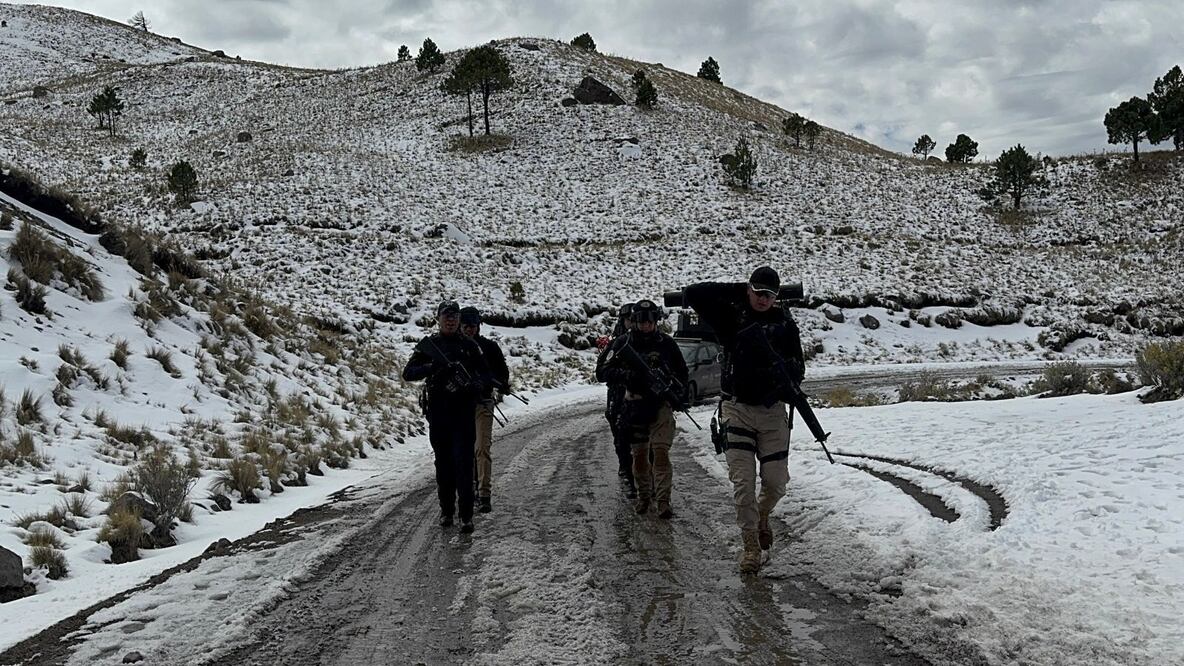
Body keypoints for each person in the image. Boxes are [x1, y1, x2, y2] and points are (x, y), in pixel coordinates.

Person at [682, 266, 805, 574]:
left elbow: (799, 369)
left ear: (777, 298)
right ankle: (750, 545)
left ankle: (762, 515)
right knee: (743, 483)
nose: (762, 299)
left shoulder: (785, 325)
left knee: (776, 483)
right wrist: (741, 289)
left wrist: (781, 377)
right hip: (736, 408)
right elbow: (694, 293)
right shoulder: (732, 319)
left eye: (769, 295)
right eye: (758, 292)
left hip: (772, 410)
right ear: (749, 290)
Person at [402, 300, 491, 534]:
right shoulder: (430, 346)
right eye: (446, 316)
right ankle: (446, 511)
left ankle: (466, 516)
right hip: (439, 415)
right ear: (438, 319)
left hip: (463, 414)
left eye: (454, 316)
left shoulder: (470, 347)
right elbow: (408, 373)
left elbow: (486, 375)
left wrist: (474, 384)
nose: (451, 320)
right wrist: (432, 367)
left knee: (464, 464)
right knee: (443, 465)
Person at [597, 299, 689, 518]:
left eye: (650, 320)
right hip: (635, 404)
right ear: (634, 321)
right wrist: (627, 376)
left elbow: (682, 373)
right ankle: (644, 496)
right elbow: (602, 372)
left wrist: (676, 392)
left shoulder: (666, 343)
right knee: (639, 456)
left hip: (661, 405)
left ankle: (663, 500)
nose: (646, 325)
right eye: (641, 320)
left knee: (660, 453)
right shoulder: (622, 343)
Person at [459, 306, 509, 514]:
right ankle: (470, 488)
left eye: (473, 326)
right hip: (460, 405)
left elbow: (503, 377)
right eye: (466, 326)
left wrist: (490, 383)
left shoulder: (489, 348)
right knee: (465, 450)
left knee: (481, 448)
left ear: (479, 326)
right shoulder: (455, 347)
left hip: (483, 402)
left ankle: (484, 493)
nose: (470, 330)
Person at [596, 303, 636, 496]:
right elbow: (601, 372)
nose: (633, 323)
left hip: (642, 398)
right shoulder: (617, 343)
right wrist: (624, 375)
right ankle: (627, 470)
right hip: (618, 396)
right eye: (629, 319)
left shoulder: (652, 340)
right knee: (621, 438)